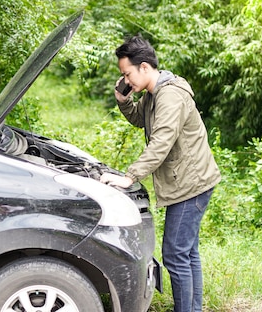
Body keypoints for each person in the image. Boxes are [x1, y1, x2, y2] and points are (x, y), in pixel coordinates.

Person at [100, 34, 221, 312]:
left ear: (144, 67)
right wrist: (123, 100)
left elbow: (161, 142)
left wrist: (129, 176)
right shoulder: (154, 94)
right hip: (190, 181)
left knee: (175, 255)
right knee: (187, 254)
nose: (126, 80)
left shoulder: (170, 96)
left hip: (192, 185)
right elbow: (140, 120)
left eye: (127, 74)